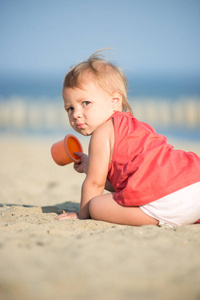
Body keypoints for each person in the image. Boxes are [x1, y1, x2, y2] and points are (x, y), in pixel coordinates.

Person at [57, 50, 200, 227]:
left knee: (95, 206)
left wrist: (82, 214)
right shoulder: (133, 127)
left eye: (85, 103)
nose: (76, 114)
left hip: (169, 199)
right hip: (193, 184)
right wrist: (90, 166)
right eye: (69, 108)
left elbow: (95, 183)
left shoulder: (102, 132)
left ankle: (160, 219)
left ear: (115, 101)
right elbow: (125, 183)